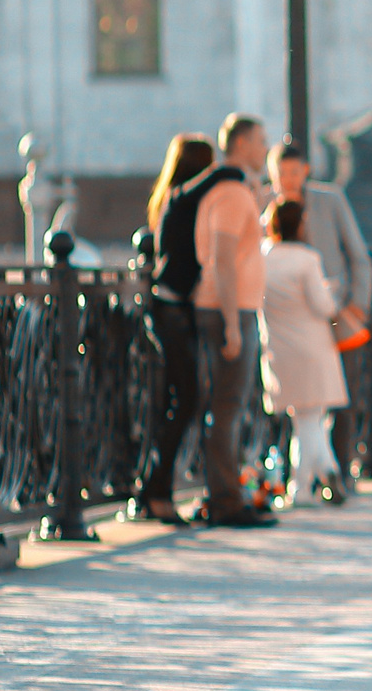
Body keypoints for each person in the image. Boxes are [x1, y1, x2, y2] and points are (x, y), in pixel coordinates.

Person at [187, 115, 275, 527]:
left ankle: (227, 492)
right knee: (227, 407)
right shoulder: (230, 194)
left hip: (233, 306)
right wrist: (232, 325)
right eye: (260, 141)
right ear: (240, 143)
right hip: (228, 308)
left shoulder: (237, 192)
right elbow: (222, 260)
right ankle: (225, 499)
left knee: (229, 407)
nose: (265, 148)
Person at [272, 141, 372, 498]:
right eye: (281, 173)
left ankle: (338, 471)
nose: (288, 180)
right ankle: (304, 478)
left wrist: (358, 306)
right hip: (289, 322)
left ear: (307, 170)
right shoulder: (268, 208)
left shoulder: (329, 201)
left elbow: (359, 256)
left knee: (338, 395)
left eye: (294, 172)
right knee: (300, 402)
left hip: (333, 311)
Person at [131, 133, 215, 525]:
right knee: (186, 399)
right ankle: (156, 490)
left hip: (169, 309)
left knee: (176, 399)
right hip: (175, 310)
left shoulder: (169, 199)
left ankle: (155, 488)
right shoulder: (184, 201)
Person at [257, 198, 351, 506]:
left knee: (303, 418)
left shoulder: (263, 257)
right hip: (312, 345)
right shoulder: (307, 259)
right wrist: (333, 293)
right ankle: (325, 473)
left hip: (279, 347)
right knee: (312, 417)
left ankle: (304, 486)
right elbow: (323, 305)